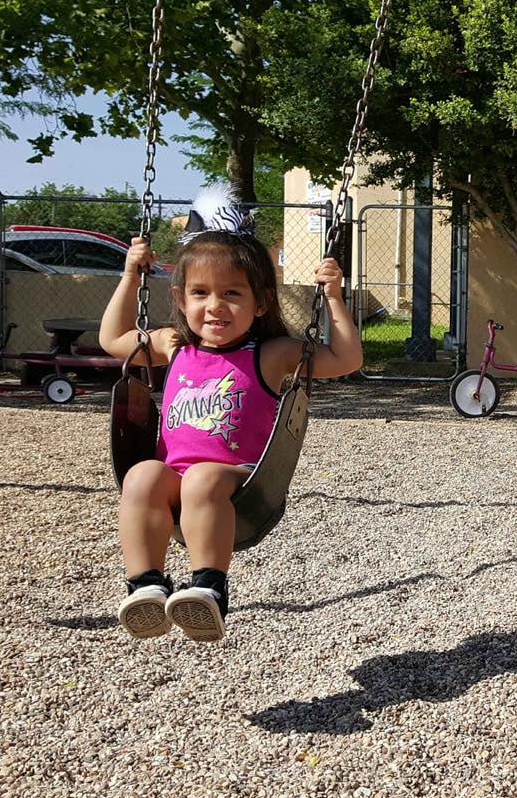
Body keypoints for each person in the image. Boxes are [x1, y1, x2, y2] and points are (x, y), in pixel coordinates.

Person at [99, 184, 362, 643]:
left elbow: (345, 360)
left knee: (202, 478)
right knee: (141, 475)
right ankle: (146, 587)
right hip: (177, 484)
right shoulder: (172, 344)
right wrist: (129, 277)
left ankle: (209, 589)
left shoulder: (270, 353)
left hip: (241, 483)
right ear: (181, 301)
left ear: (259, 302)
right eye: (200, 293)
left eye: (232, 294)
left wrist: (334, 298)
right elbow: (113, 339)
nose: (215, 306)